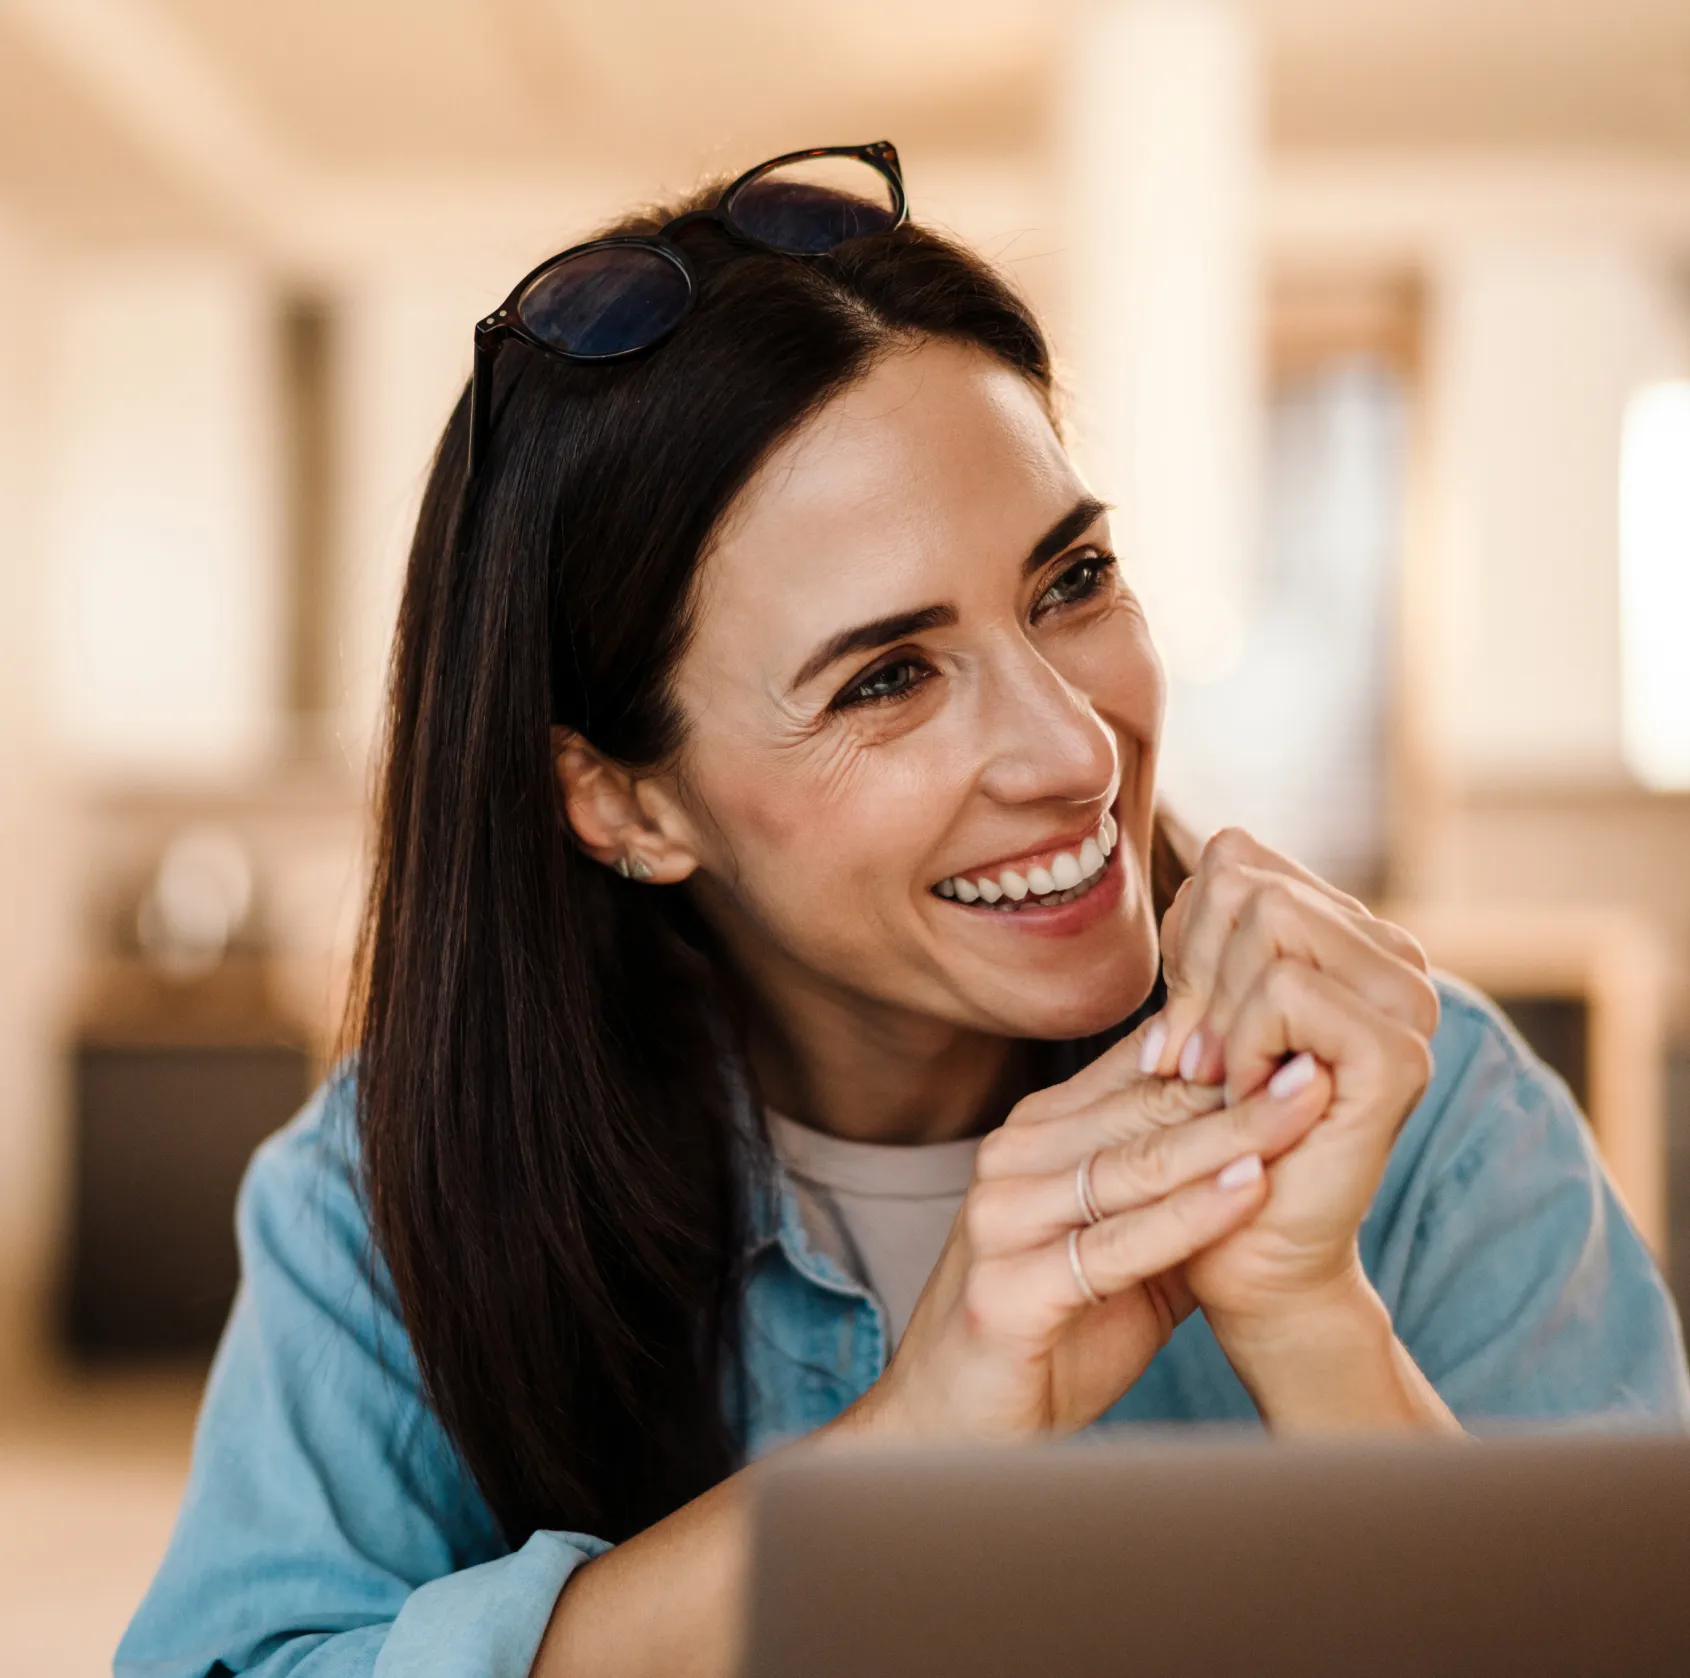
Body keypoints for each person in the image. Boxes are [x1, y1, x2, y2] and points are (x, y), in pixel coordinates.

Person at [118, 144, 1689, 1678]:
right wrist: (913, 1440)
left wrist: (1306, 1319)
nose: (1078, 751)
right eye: (884, 677)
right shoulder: (395, 1183)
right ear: (624, 802)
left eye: (1069, 582)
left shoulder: (1421, 1110)